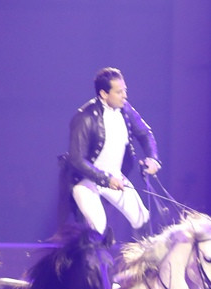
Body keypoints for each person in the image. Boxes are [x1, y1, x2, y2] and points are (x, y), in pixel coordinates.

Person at [65, 67, 161, 238]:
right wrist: (105, 179)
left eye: (125, 90)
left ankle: (138, 262)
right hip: (86, 180)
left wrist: (153, 159)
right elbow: (76, 159)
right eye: (119, 92)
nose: (125, 95)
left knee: (142, 217)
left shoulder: (125, 109)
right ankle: (92, 264)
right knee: (98, 226)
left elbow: (145, 133)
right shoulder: (84, 117)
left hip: (115, 177)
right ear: (103, 94)